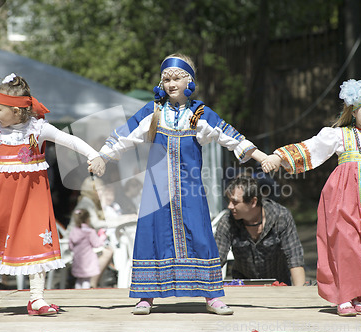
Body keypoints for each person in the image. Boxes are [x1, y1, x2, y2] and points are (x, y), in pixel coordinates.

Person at [99, 54, 268, 315]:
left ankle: (211, 295)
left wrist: (261, 156)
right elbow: (124, 135)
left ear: (189, 79)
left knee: (199, 235)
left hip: (189, 190)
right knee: (152, 236)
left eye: (177, 77)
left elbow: (232, 137)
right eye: (166, 78)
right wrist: (102, 156)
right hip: (156, 190)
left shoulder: (200, 113)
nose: (171, 83)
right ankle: (146, 295)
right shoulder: (152, 111)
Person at [0, 73, 105, 316]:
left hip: (31, 197)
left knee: (36, 238)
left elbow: (70, 140)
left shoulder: (39, 128)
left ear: (16, 111)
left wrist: (93, 154)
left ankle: (36, 298)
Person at [262, 78, 361, 316]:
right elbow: (312, 148)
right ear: (353, 110)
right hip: (342, 197)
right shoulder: (339, 136)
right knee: (345, 244)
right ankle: (344, 297)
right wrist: (280, 157)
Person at [214, 175, 305, 286]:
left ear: (253, 202)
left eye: (235, 202)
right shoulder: (227, 222)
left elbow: (295, 259)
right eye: (229, 201)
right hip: (243, 287)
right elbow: (216, 260)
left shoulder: (281, 217)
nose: (229, 206)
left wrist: (299, 294)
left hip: (279, 286)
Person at [68, 208, 108, 289]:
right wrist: (103, 237)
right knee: (86, 280)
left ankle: (77, 295)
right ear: (88, 219)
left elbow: (70, 246)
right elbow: (97, 244)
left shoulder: (73, 231)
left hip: (77, 259)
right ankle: (84, 297)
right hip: (88, 259)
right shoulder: (89, 231)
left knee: (79, 280)